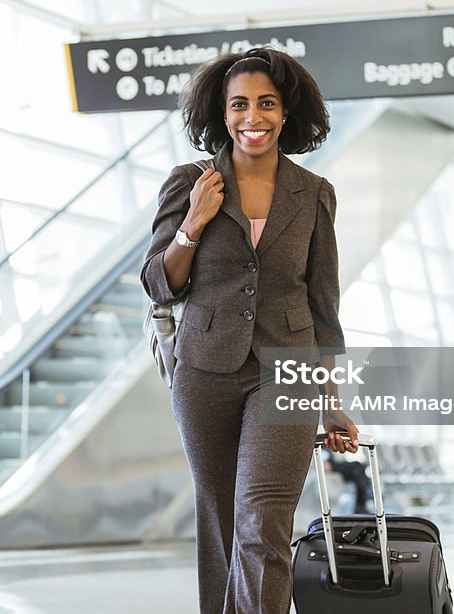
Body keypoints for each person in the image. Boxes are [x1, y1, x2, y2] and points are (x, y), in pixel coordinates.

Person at [141, 47, 359, 614]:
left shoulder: (312, 194)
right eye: (239, 104)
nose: (252, 116)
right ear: (222, 112)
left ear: (287, 113)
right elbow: (158, 283)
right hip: (205, 369)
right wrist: (193, 222)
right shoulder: (191, 182)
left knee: (263, 515)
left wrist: (332, 401)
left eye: (266, 103)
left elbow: (323, 304)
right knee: (218, 517)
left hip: (286, 370)